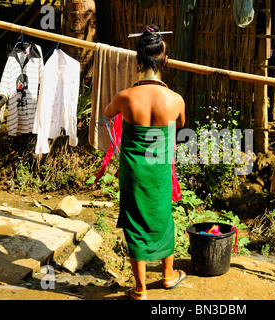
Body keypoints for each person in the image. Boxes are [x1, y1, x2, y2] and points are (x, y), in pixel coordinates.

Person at [104, 24, 186, 300]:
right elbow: (182, 125)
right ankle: (167, 275)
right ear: (165, 60)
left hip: (133, 170)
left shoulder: (125, 97)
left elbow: (106, 113)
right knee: (163, 215)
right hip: (160, 167)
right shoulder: (175, 100)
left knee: (135, 219)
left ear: (138, 59)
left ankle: (139, 289)